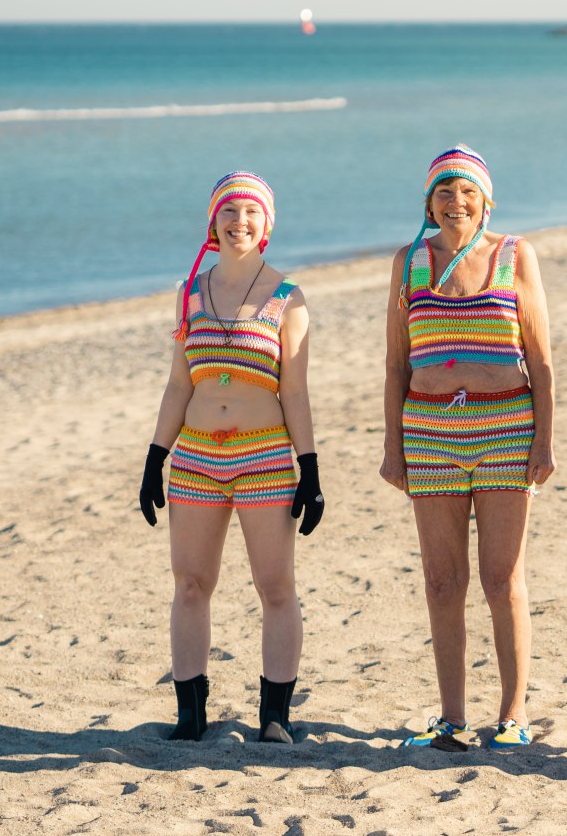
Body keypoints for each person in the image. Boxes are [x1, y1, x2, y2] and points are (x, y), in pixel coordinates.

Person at [381, 146, 555, 751]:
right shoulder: (409, 263)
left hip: (508, 427)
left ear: (487, 200)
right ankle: (451, 719)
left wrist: (545, 438)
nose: (458, 203)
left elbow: (541, 358)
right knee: (440, 581)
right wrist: (392, 447)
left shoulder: (515, 255)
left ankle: (511, 716)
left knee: (502, 578)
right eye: (445, 193)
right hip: (429, 432)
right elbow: (396, 363)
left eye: (468, 193)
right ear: (428, 203)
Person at [140, 171, 322, 744]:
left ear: (267, 225)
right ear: (212, 222)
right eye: (229, 212)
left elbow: (293, 390)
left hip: (265, 457)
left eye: (251, 213)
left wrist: (310, 467)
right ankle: (190, 715)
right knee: (190, 584)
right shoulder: (189, 290)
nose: (239, 222)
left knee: (275, 586)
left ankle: (276, 716)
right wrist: (155, 456)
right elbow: (178, 383)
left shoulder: (288, 297)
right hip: (195, 459)